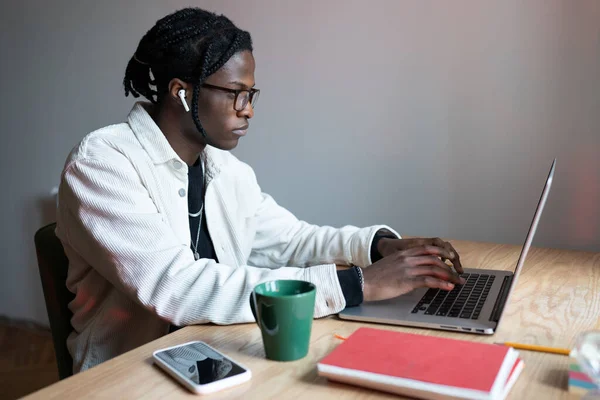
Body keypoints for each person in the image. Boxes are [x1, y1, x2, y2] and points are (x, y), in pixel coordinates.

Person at [56, 7, 465, 373]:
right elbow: (177, 288)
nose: (248, 108)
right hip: (129, 373)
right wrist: (358, 284)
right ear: (182, 93)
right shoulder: (102, 164)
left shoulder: (224, 170)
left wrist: (377, 248)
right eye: (235, 93)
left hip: (218, 351)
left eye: (250, 94)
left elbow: (289, 241)